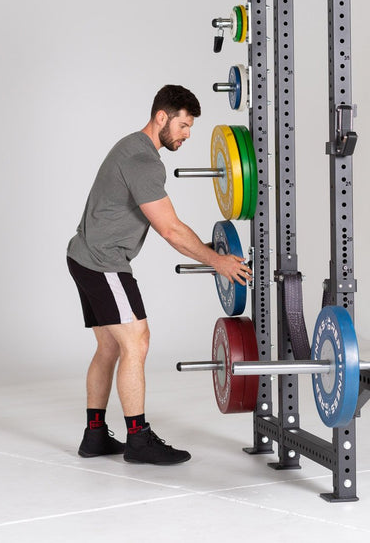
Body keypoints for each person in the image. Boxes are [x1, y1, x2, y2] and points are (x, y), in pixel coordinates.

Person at [66, 84, 252, 465]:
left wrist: (208, 251)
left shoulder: (131, 146)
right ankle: (138, 439)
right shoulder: (144, 161)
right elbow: (170, 229)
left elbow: (173, 229)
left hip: (83, 255)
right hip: (103, 261)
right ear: (161, 117)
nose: (186, 135)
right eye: (183, 126)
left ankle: (95, 435)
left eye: (190, 128)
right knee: (138, 342)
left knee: (110, 346)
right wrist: (218, 261)